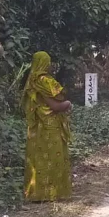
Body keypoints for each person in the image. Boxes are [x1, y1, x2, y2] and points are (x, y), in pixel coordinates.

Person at [22, 51, 73, 202]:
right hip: (50, 126)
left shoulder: (31, 80)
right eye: (48, 62)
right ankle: (51, 193)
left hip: (36, 127)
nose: (50, 65)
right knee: (53, 158)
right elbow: (55, 106)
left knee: (38, 159)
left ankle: (37, 192)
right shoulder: (43, 80)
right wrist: (68, 104)